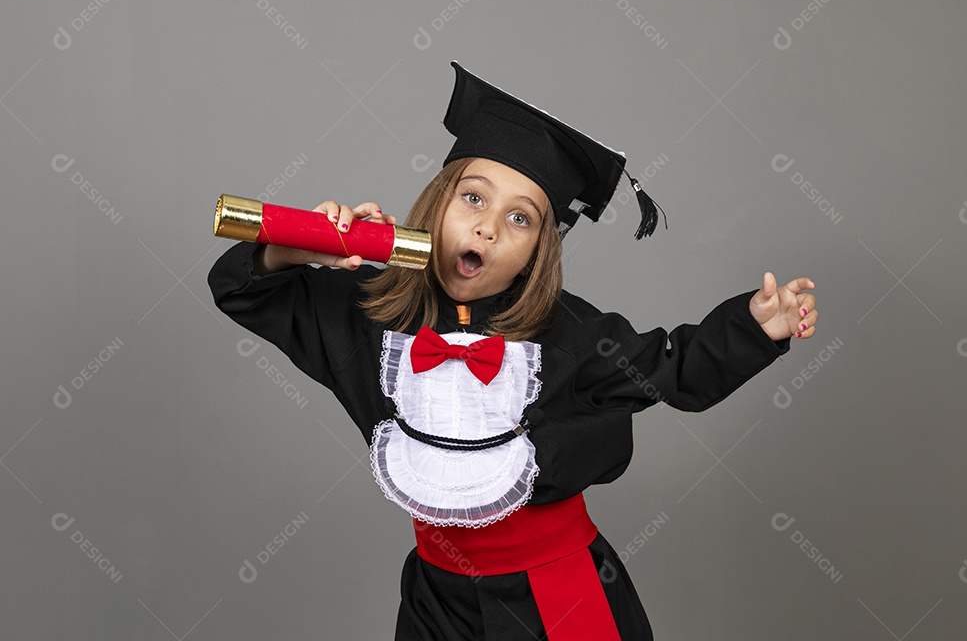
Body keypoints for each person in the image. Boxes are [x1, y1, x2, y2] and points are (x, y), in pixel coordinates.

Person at [208, 61, 818, 640]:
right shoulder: (368, 316)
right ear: (437, 203)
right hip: (438, 602)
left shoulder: (576, 333)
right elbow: (240, 291)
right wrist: (299, 246)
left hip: (559, 595)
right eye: (473, 198)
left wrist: (755, 327)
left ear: (538, 251)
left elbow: (676, 367)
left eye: (519, 219)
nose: (487, 227)